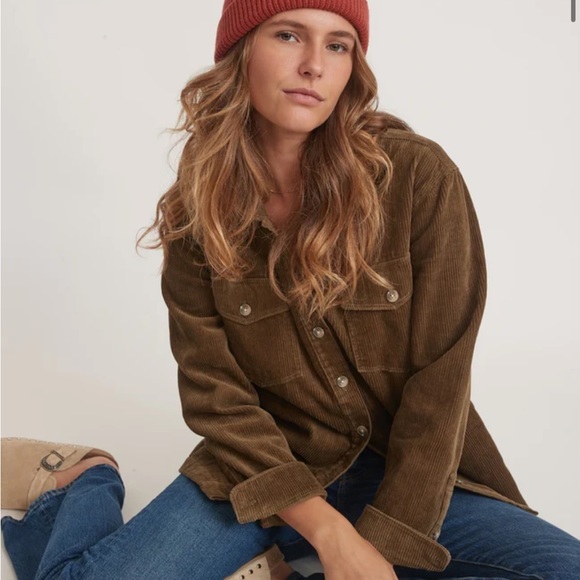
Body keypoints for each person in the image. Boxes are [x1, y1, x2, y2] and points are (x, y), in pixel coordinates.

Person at [2, 1, 580, 579]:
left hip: (405, 476)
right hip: (262, 472)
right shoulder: (199, 208)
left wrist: (385, 545)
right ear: (242, 51)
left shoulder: (416, 178)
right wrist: (329, 533)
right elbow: (213, 393)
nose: (314, 65)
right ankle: (85, 480)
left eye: (338, 45)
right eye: (288, 35)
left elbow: (441, 380)